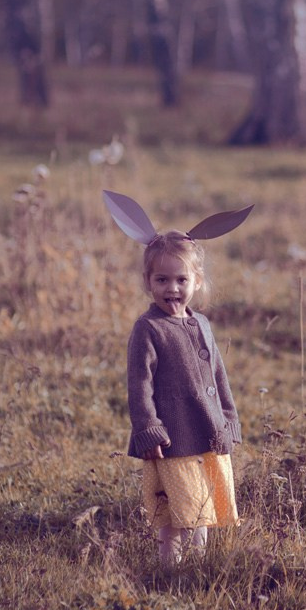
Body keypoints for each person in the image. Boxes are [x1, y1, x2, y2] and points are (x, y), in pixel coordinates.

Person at [103, 190, 253, 568]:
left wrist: (229, 420)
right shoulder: (148, 328)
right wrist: (148, 429)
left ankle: (195, 571)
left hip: (206, 434)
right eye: (162, 279)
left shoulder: (201, 324)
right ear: (148, 282)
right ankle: (170, 570)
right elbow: (139, 385)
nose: (172, 288)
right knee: (176, 515)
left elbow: (219, 377)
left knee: (202, 510)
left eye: (181, 279)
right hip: (173, 439)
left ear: (196, 281)